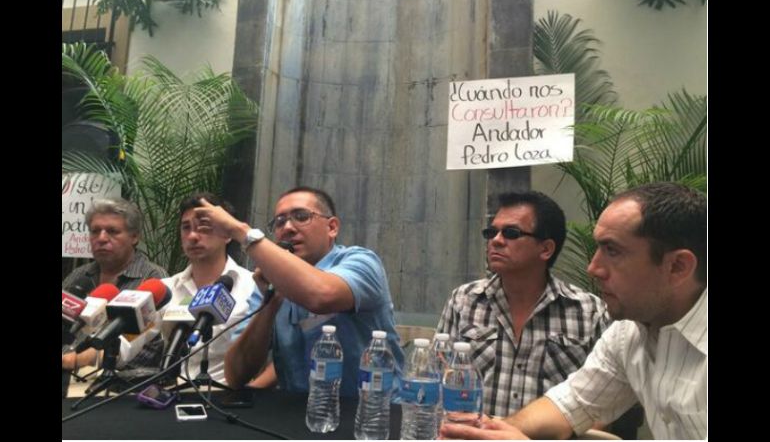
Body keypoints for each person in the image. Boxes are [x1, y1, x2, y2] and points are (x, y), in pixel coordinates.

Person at [440, 182, 707, 440]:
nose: (593, 268)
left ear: (677, 267)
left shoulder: (590, 311)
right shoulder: (628, 334)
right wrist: (484, 433)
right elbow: (570, 405)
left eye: (612, 251)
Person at [193, 186, 404, 395]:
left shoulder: (361, 262)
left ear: (332, 227)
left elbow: (322, 295)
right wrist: (270, 305)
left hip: (369, 410)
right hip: (298, 412)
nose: (288, 228)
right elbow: (236, 375)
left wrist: (242, 232)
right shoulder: (270, 283)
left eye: (301, 217)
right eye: (279, 222)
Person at [436, 191, 609, 417]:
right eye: (491, 232)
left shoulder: (588, 312)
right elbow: (437, 379)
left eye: (511, 233)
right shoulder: (464, 301)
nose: (496, 241)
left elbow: (603, 403)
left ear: (546, 249)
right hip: (471, 430)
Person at [159, 193, 258, 384]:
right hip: (172, 393)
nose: (192, 236)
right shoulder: (165, 289)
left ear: (227, 234)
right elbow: (129, 343)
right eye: (186, 227)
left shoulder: (252, 286)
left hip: (229, 393)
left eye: (203, 227)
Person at [62, 198, 168, 372]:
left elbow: (147, 348)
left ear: (134, 237)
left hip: (123, 381)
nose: (101, 238)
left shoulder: (152, 280)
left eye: (112, 231)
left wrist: (77, 360)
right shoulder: (78, 276)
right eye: (95, 231)